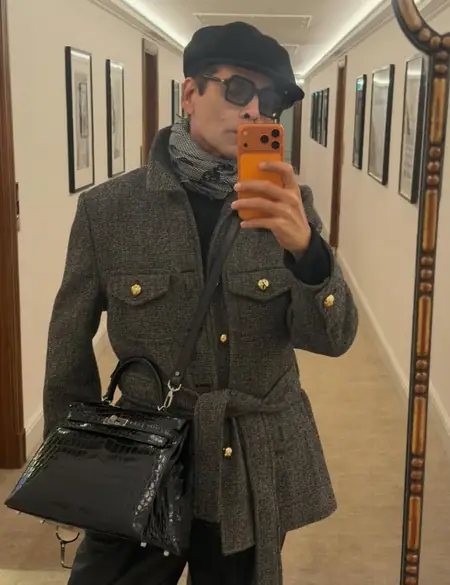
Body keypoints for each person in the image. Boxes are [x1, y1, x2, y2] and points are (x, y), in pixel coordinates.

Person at [43, 20, 358, 585]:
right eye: (238, 89)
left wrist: (308, 253)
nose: (255, 110)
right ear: (190, 92)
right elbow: (68, 344)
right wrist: (76, 466)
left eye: (270, 100)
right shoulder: (109, 211)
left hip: (249, 460)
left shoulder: (290, 204)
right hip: (143, 456)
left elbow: (333, 339)